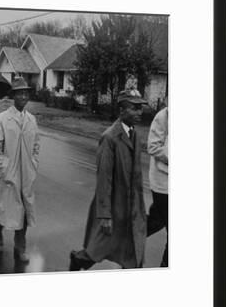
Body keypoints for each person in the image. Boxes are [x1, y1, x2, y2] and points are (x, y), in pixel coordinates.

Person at [69, 89, 148, 271]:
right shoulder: (109, 138)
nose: (139, 113)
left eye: (140, 108)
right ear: (122, 110)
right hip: (113, 208)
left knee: (133, 254)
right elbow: (104, 179)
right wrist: (105, 215)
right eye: (134, 108)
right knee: (98, 249)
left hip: (131, 207)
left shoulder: (135, 134)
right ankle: (78, 260)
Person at [0, 78, 40, 263]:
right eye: (20, 93)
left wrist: (33, 165)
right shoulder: (2, 119)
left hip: (26, 174)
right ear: (13, 96)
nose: (23, 96)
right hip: (9, 174)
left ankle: (20, 248)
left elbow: (36, 145)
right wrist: (4, 169)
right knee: (4, 209)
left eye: (26, 93)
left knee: (24, 212)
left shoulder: (31, 120)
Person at [147, 100, 168, 267]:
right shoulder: (163, 116)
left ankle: (120, 242)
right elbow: (153, 147)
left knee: (154, 222)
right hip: (163, 184)